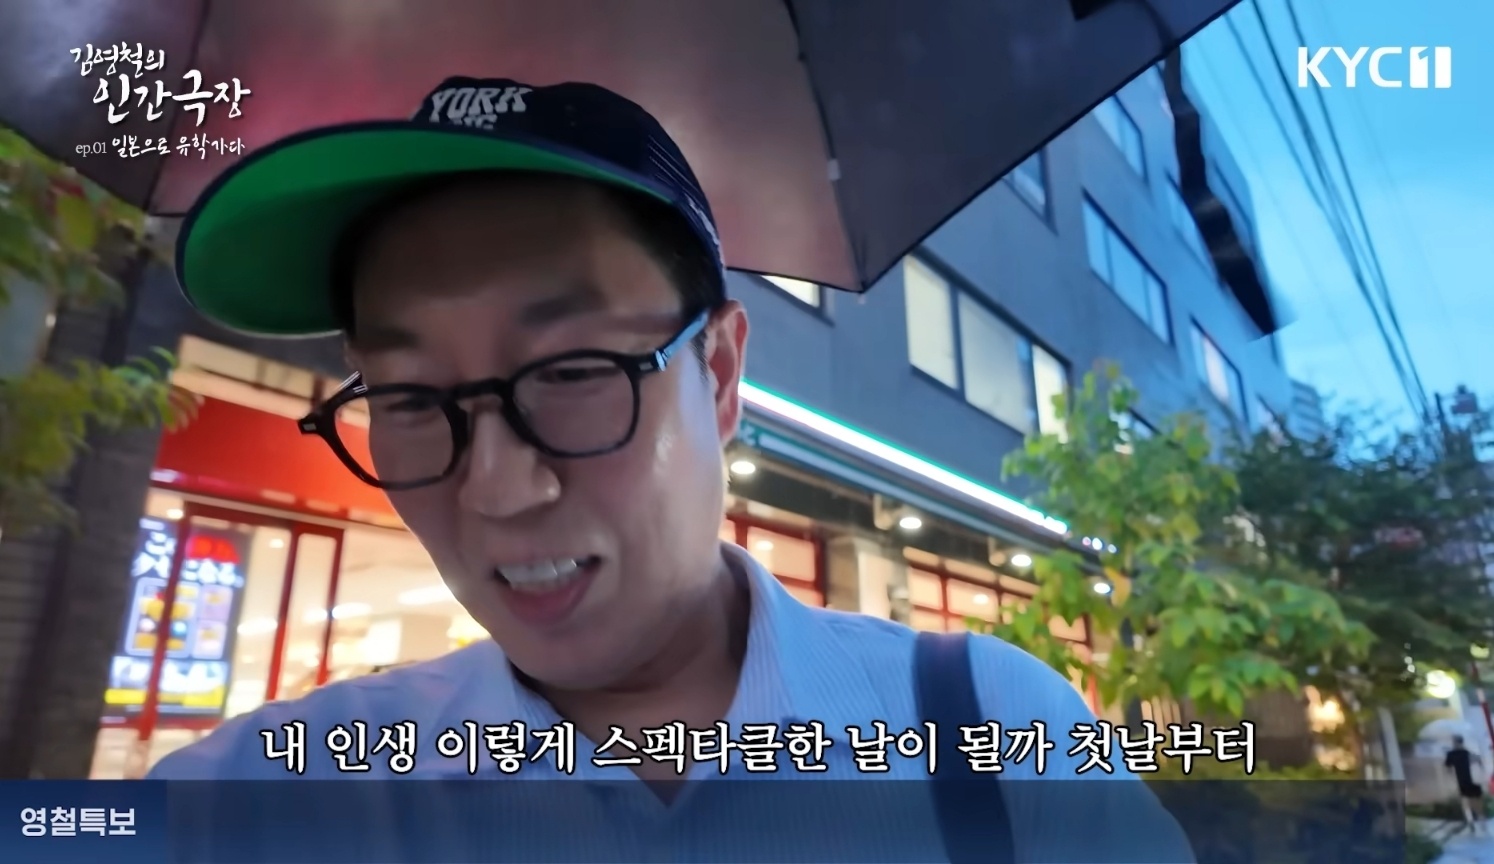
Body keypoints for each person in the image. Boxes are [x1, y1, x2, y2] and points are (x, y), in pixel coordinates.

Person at [148, 75, 1192, 861]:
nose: (497, 491)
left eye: (573, 372)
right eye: (412, 398)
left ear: (721, 373)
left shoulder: (991, 737)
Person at [1446, 735, 1486, 832]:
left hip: (1462, 782)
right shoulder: (1468, 753)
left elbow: (1448, 768)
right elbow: (1480, 764)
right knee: (1476, 804)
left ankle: (1471, 822)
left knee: (1466, 804)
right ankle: (1481, 823)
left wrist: (1452, 779)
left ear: (1455, 742)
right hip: (1474, 782)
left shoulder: (1451, 754)